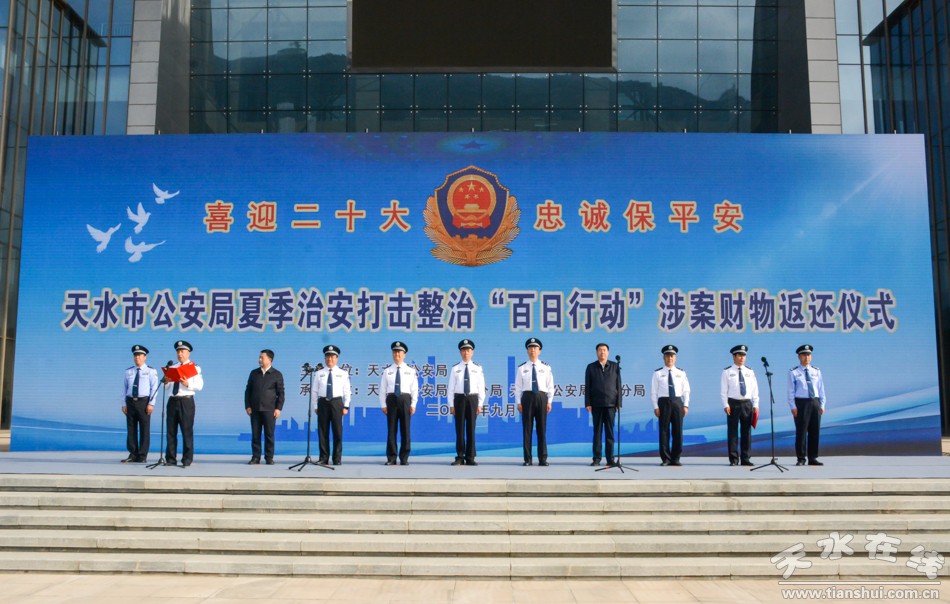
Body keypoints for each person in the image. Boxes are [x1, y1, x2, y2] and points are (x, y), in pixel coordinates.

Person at [514, 337, 555, 466]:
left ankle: (543, 459)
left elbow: (550, 386)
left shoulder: (546, 367)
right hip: (527, 398)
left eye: (535, 348)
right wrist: (518, 402)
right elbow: (518, 387)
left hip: (542, 397)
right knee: (527, 429)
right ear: (527, 351)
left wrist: (549, 401)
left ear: (539, 351)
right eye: (530, 348)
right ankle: (528, 459)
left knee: (541, 429)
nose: (533, 350)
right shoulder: (522, 368)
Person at [650, 344, 690, 466]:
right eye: (667, 356)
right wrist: (656, 407)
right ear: (664, 357)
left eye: (672, 356)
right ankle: (666, 459)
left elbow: (686, 390)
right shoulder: (658, 373)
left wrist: (686, 405)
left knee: (678, 431)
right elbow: (653, 392)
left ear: (675, 358)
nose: (670, 358)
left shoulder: (681, 373)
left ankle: (676, 458)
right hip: (663, 403)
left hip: (677, 402)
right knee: (664, 431)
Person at [165, 340, 203, 467]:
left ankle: (187, 459)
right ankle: (170, 459)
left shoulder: (194, 367)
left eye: (182, 351)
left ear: (188, 353)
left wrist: (188, 384)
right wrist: (166, 382)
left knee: (186, 431)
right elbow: (167, 387)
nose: (180, 354)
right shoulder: (172, 367)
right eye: (178, 352)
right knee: (171, 431)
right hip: (172, 401)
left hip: (186, 402)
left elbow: (200, 385)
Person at [447, 338, 485, 466]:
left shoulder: (477, 368)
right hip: (459, 399)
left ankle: (470, 457)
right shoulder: (455, 368)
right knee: (459, 429)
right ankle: (460, 456)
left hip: (472, 399)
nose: (466, 353)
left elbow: (481, 387)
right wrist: (451, 405)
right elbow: (451, 388)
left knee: (471, 429)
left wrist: (480, 404)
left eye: (468, 350)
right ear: (460, 352)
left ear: (472, 352)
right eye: (463, 350)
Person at [379, 341, 418, 465]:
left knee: (405, 430)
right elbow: (382, 389)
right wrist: (383, 405)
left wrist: (413, 404)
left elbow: (414, 389)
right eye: (395, 352)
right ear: (392, 354)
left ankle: (404, 458)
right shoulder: (387, 371)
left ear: (404, 354)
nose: (397, 354)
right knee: (391, 430)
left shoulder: (410, 371)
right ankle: (391, 458)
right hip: (391, 400)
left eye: (400, 352)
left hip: (405, 400)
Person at [244, 349, 285, 465]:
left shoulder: (277, 374)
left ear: (269, 359)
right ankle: (255, 457)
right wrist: (248, 406)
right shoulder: (254, 373)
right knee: (255, 435)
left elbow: (281, 393)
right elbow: (248, 391)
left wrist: (278, 408)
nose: (259, 359)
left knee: (269, 435)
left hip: (270, 410)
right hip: (255, 409)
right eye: (259, 357)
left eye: (262, 357)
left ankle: (269, 457)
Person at [787, 344, 826, 466]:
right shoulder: (794, 372)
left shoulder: (816, 371)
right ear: (799, 357)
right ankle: (801, 458)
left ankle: (813, 458)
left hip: (814, 402)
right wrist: (793, 406)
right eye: (804, 355)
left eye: (808, 355)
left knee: (815, 431)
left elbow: (821, 389)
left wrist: (822, 405)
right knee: (801, 432)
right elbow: (790, 391)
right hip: (801, 403)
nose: (807, 357)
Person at [721, 344, 759, 467]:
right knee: (732, 432)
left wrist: (755, 404)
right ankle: (733, 459)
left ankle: (745, 458)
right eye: (740, 355)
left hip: (747, 404)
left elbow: (754, 389)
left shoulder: (750, 371)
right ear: (734, 356)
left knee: (746, 432)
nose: (742, 358)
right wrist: (725, 404)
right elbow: (723, 390)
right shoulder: (727, 371)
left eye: (744, 355)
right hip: (733, 404)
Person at [584, 342, 621, 467]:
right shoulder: (591, 367)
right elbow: (587, 387)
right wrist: (588, 403)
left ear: (608, 352)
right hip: (596, 405)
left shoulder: (615, 366)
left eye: (604, 350)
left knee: (610, 433)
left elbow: (619, 386)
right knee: (597, 433)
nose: (602, 352)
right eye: (600, 350)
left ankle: (610, 459)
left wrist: (619, 403)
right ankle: (596, 458)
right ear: (596, 352)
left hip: (611, 405)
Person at [314, 344, 351, 465]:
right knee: (322, 432)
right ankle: (323, 458)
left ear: (337, 358)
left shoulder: (343, 373)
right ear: (325, 358)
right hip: (323, 403)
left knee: (337, 431)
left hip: (337, 403)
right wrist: (315, 406)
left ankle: (337, 458)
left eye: (332, 357)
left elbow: (347, 391)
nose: (330, 359)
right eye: (327, 357)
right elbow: (314, 391)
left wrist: (346, 406)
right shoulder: (319, 373)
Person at [121, 344, 159, 463]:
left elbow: (154, 388)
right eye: (135, 355)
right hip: (130, 402)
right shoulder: (128, 371)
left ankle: (142, 456)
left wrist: (151, 403)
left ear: (145, 357)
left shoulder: (150, 371)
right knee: (131, 428)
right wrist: (124, 403)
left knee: (144, 429)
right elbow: (124, 388)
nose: (137, 357)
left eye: (139, 355)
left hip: (144, 402)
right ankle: (133, 454)